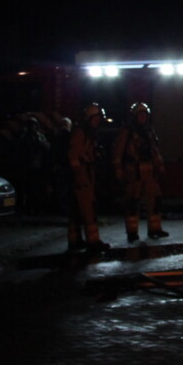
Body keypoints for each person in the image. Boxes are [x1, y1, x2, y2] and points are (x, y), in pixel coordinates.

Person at [113, 102, 169, 243]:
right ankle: (132, 232)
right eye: (140, 114)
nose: (143, 117)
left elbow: (154, 150)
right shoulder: (127, 131)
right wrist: (118, 169)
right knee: (132, 202)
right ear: (135, 116)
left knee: (154, 200)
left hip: (149, 171)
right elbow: (118, 152)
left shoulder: (149, 131)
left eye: (145, 115)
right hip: (133, 172)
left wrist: (160, 164)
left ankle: (154, 229)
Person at [68, 103, 109, 253]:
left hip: (85, 175)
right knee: (88, 209)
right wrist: (79, 175)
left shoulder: (88, 133)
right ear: (89, 118)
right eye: (96, 118)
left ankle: (75, 240)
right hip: (82, 177)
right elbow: (74, 155)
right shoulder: (81, 132)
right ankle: (93, 241)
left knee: (77, 211)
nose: (98, 121)